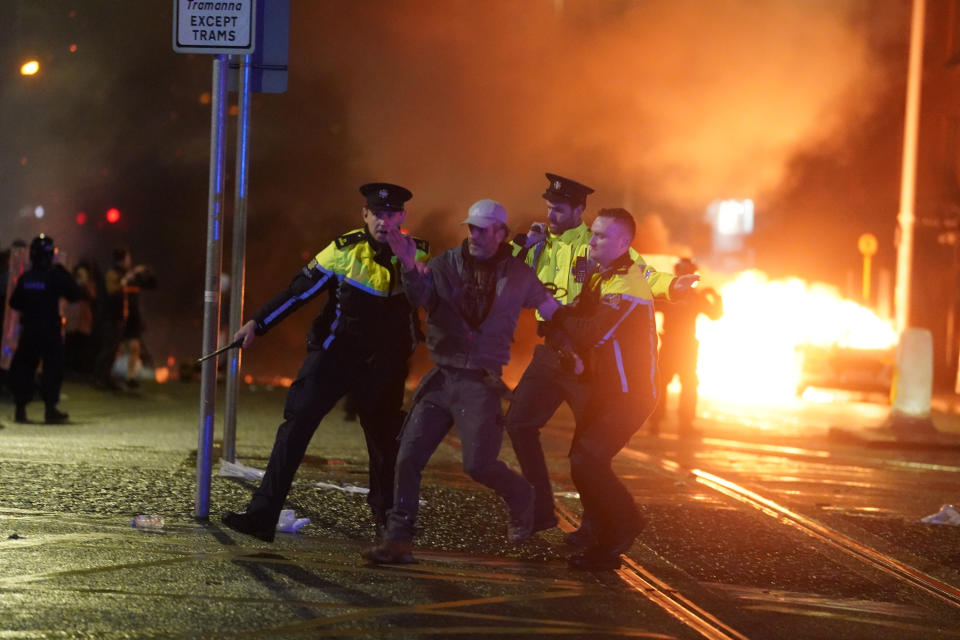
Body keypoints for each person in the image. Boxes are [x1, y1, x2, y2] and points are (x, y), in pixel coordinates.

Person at [222, 182, 429, 543]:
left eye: (392, 214)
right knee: (294, 427)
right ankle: (261, 516)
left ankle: (388, 526)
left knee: (384, 445)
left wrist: (409, 263)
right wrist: (258, 323)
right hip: (334, 356)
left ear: (403, 217)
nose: (384, 221)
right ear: (364, 214)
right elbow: (298, 291)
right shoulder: (342, 250)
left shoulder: (419, 254)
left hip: (384, 366)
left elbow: (429, 303)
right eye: (377, 213)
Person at [363, 199, 560, 565]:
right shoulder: (443, 264)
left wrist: (580, 338)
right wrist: (408, 264)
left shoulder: (518, 275)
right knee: (407, 457)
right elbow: (420, 300)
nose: (475, 235)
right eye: (472, 228)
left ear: (500, 233)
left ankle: (522, 496)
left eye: (484, 230)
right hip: (442, 377)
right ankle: (398, 538)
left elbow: (551, 311)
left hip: (480, 381)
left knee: (479, 465)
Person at [505, 173, 697, 543]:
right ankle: (540, 508)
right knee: (517, 423)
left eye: (560, 209)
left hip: (586, 356)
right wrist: (522, 244)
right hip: (552, 347)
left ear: (579, 211)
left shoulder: (597, 244)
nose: (552, 215)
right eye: (549, 207)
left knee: (587, 449)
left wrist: (672, 287)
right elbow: (505, 271)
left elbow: (641, 275)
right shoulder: (538, 243)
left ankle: (595, 526)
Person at [539, 208, 660, 570]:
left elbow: (591, 331)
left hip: (632, 393)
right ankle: (602, 531)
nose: (591, 240)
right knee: (582, 461)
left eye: (601, 236)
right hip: (606, 388)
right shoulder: (601, 275)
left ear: (624, 243)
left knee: (588, 458)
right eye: (592, 233)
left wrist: (553, 311)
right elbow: (577, 317)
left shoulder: (628, 284)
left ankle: (623, 527)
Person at [7, 235, 84, 424]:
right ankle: (50, 410)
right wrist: (64, 273)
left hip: (30, 330)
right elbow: (74, 295)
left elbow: (14, 302)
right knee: (52, 368)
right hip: (49, 330)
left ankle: (20, 409)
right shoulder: (55, 275)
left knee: (24, 367)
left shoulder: (26, 277)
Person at [649, 257, 723, 437]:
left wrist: (715, 296)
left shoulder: (695, 297)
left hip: (687, 346)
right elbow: (648, 307)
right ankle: (656, 422)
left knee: (689, 383)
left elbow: (715, 315)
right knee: (661, 383)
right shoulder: (668, 293)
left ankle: (685, 424)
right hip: (670, 344)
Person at [94, 248, 157, 390]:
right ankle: (100, 377)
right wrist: (129, 276)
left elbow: (152, 285)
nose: (130, 260)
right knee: (109, 349)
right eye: (128, 258)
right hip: (110, 318)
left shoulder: (128, 275)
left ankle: (118, 378)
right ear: (121, 259)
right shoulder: (113, 274)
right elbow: (113, 292)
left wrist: (145, 272)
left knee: (125, 348)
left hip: (125, 318)